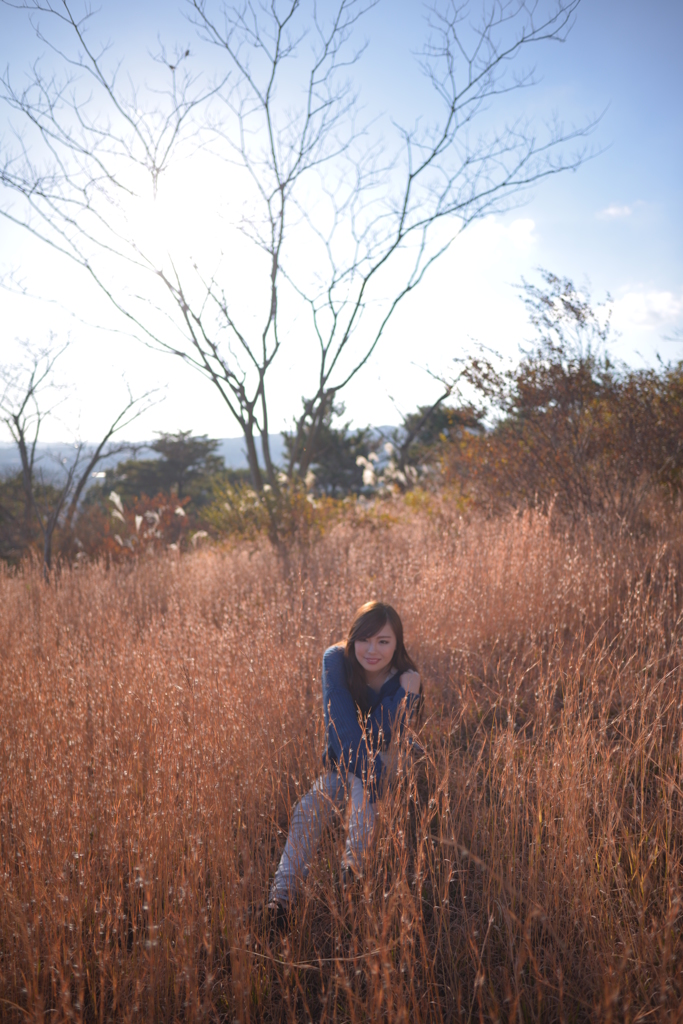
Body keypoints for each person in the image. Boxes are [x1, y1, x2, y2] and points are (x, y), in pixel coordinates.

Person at [266, 600, 423, 926]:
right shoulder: (335, 660)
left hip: (389, 760)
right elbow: (343, 732)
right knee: (308, 807)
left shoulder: (405, 679)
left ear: (397, 644)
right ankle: (281, 900)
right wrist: (372, 782)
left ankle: (351, 876)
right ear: (352, 638)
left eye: (383, 641)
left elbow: (381, 735)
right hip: (353, 764)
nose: (372, 650)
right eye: (364, 639)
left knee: (361, 791)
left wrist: (406, 696)